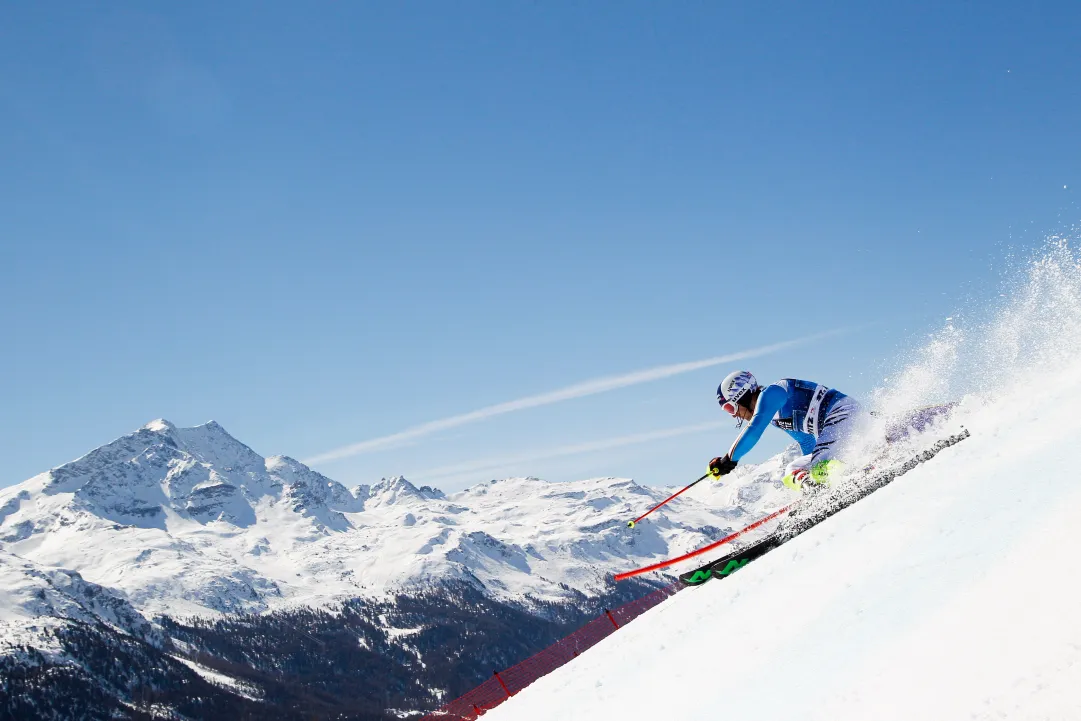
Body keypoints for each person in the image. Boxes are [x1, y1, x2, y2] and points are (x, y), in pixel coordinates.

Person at [708, 371, 863, 490]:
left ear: (742, 395)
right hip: (838, 428)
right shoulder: (776, 418)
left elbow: (755, 428)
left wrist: (729, 459)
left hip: (843, 413)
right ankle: (816, 491)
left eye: (730, 407)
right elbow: (806, 440)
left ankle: (856, 472)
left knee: (819, 468)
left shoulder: (773, 392)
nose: (734, 414)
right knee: (793, 471)